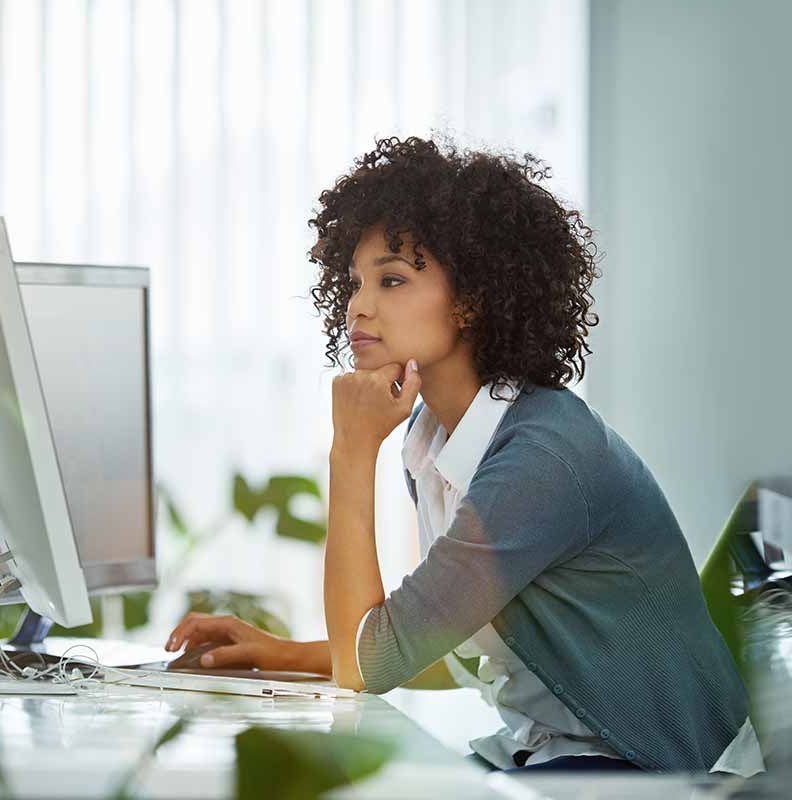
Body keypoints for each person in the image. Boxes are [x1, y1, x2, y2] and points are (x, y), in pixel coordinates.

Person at [163, 135, 764, 775]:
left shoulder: (542, 458)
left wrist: (352, 450)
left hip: (663, 774)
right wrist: (280, 653)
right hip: (556, 758)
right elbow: (449, 644)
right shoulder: (436, 440)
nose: (358, 305)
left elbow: (370, 668)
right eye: (355, 281)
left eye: (391, 279)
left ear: (473, 298)